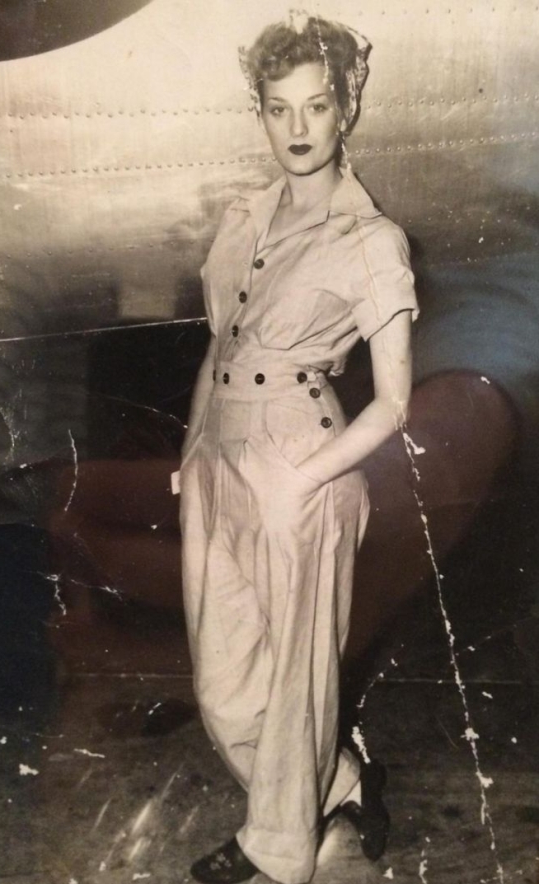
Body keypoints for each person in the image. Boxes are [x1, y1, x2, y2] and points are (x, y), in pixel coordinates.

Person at [179, 13, 418, 884]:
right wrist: (191, 453)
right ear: (261, 113)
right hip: (218, 455)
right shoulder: (246, 216)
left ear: (345, 108)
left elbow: (393, 403)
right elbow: (221, 344)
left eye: (317, 106)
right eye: (279, 109)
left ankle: (278, 849)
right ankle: (342, 782)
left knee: (297, 680)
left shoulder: (369, 239)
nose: (299, 128)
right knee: (224, 680)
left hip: (301, 461)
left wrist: (303, 480)